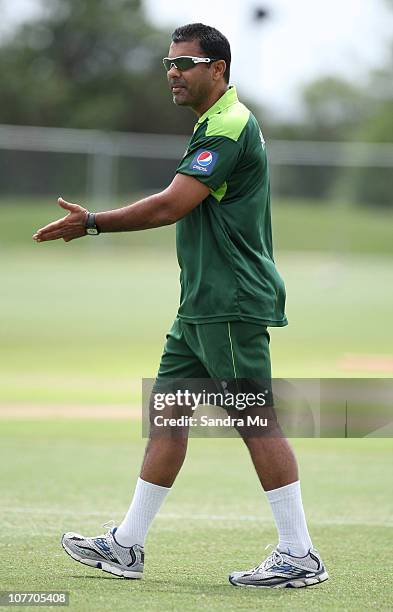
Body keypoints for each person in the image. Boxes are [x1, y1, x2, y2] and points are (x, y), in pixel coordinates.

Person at [33, 23, 328, 589]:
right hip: (200, 305)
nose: (173, 72)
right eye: (168, 63)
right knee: (168, 417)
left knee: (253, 419)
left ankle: (299, 553)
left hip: (230, 301)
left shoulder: (229, 126)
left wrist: (92, 223)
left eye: (185, 63)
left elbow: (171, 205)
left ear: (218, 69)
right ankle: (126, 545)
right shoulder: (212, 124)